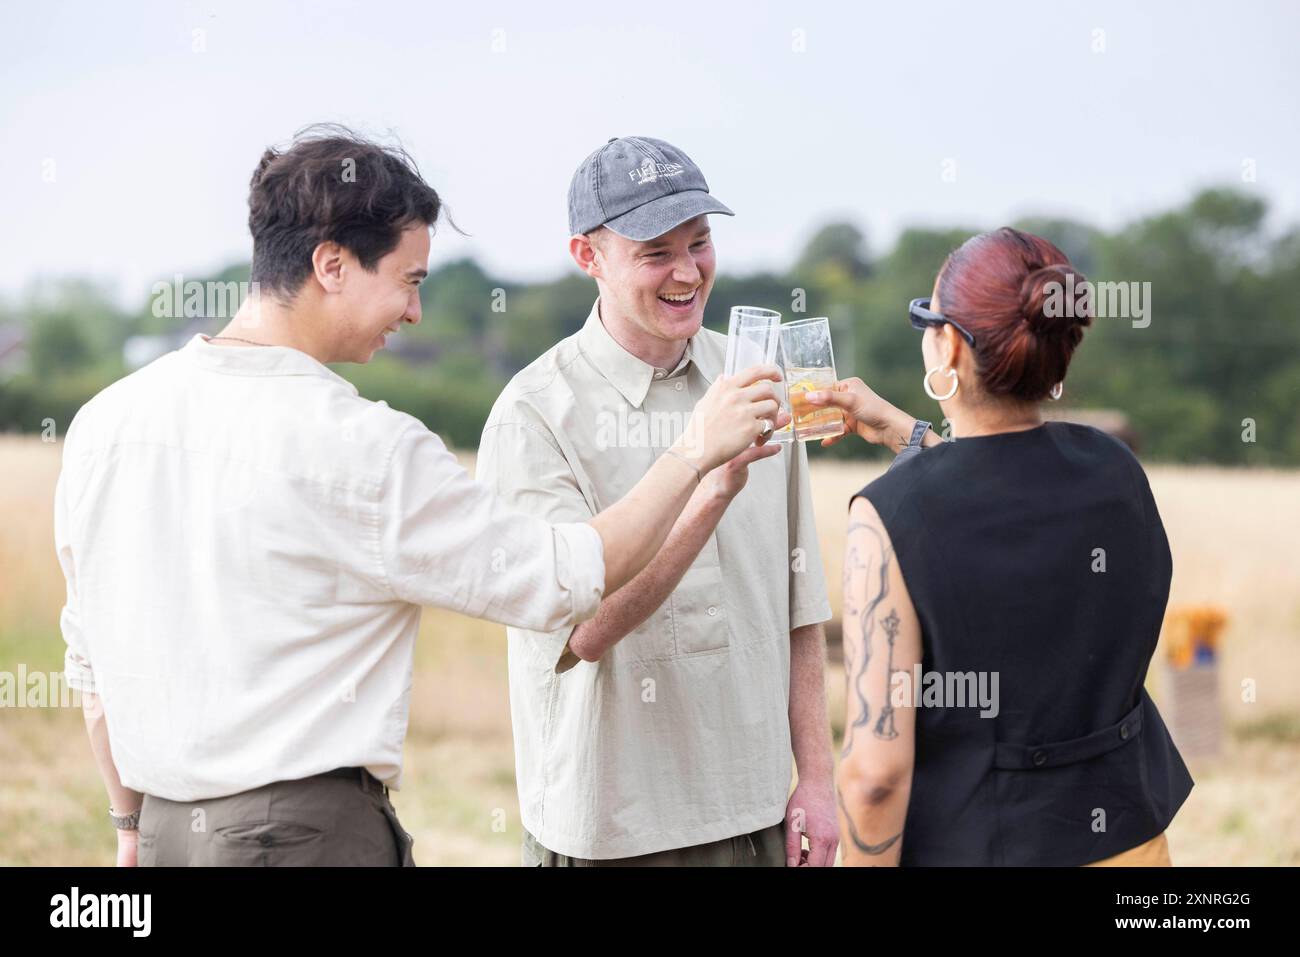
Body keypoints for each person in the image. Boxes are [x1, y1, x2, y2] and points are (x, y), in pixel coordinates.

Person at [54, 126, 783, 867]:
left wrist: (128, 826)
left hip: (161, 832)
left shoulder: (103, 426)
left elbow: (91, 671)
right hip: (303, 838)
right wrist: (695, 452)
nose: (415, 314)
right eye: (409, 281)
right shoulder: (361, 444)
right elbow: (564, 579)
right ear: (331, 265)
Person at [476, 136, 838, 866]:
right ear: (588, 257)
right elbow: (583, 633)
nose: (687, 272)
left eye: (699, 242)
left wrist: (819, 781)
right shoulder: (534, 417)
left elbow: (800, 608)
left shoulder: (757, 383)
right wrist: (706, 486)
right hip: (616, 835)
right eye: (655, 252)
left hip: (759, 817)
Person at [807, 227, 1194, 866]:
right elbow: (1011, 497)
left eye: (925, 318)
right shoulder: (1114, 468)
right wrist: (913, 436)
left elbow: (876, 775)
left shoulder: (889, 516)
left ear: (950, 345)